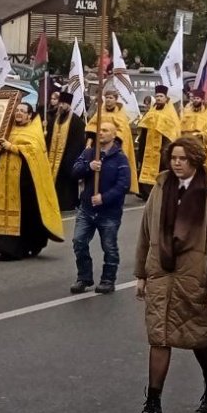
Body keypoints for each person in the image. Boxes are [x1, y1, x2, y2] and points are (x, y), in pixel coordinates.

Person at [132, 137, 207, 413]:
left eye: (183, 159)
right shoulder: (161, 187)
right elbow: (145, 231)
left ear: (195, 161)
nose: (176, 163)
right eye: (173, 157)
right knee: (159, 336)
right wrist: (141, 274)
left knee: (198, 336)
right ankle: (153, 405)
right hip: (161, 273)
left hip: (195, 276)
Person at [0, 102, 65, 260]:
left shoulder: (34, 132)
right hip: (2, 181)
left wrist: (12, 147)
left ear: (30, 115)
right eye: (17, 111)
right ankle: (3, 248)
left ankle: (23, 247)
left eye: (23, 111)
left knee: (27, 215)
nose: (19, 113)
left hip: (24, 184)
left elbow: (34, 153)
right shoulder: (7, 129)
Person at [68, 119, 131, 294]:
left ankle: (108, 280)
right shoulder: (89, 153)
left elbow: (124, 185)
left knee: (109, 246)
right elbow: (74, 171)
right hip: (87, 209)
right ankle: (84, 277)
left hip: (108, 212)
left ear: (113, 135)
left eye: (105, 130)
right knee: (79, 242)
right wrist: (88, 167)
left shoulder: (120, 158)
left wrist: (104, 198)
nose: (100, 133)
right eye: (99, 130)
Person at [88, 86, 140, 195]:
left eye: (111, 98)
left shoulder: (120, 113)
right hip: (99, 144)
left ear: (115, 99)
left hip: (115, 145)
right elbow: (92, 125)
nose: (108, 100)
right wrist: (89, 142)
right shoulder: (100, 111)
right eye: (106, 97)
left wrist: (114, 142)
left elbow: (123, 130)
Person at [46, 92, 88, 213]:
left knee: (67, 184)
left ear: (69, 105)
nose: (60, 106)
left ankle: (68, 203)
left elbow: (78, 142)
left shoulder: (76, 121)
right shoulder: (54, 119)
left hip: (68, 159)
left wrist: (69, 158)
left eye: (63, 104)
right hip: (52, 158)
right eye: (60, 103)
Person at [135, 84, 181, 194]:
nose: (159, 98)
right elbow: (145, 127)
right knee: (145, 167)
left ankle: (162, 191)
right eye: (157, 96)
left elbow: (172, 131)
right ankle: (146, 192)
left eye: (161, 96)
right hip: (148, 146)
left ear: (166, 98)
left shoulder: (170, 113)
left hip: (162, 147)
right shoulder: (152, 111)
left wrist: (166, 149)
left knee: (162, 169)